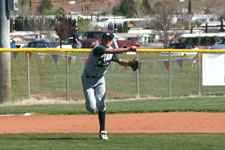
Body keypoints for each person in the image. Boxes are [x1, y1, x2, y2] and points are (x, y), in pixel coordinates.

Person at [81, 32, 138, 140]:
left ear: (112, 41)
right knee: (92, 107)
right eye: (106, 39)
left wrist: (130, 63)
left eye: (110, 39)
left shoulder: (111, 51)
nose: (108, 41)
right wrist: (128, 49)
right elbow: (110, 51)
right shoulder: (98, 48)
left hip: (100, 79)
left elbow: (120, 61)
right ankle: (89, 101)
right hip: (88, 79)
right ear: (102, 40)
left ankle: (102, 131)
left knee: (102, 104)